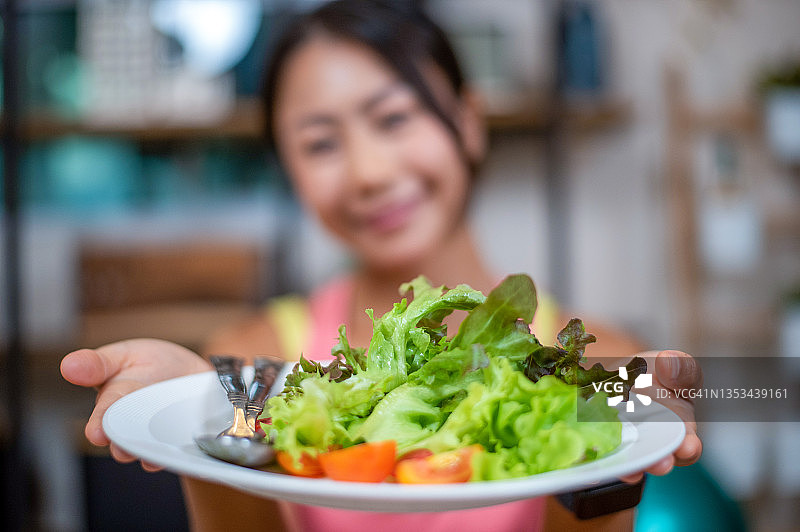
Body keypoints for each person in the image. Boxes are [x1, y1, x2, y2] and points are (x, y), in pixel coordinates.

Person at [60, 1, 702, 530]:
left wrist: (605, 451)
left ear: (468, 122)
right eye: (320, 143)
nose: (369, 172)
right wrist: (193, 416)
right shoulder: (249, 362)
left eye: (394, 118)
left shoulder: (603, 365)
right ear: (291, 172)